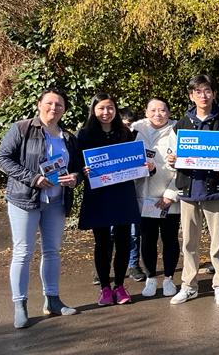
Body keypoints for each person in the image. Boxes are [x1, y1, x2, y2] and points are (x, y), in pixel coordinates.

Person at [0, 88, 81, 329]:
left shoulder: (68, 137)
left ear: (64, 110)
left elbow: (75, 168)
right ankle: (20, 304)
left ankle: (52, 300)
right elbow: (2, 159)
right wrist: (32, 178)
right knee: (23, 252)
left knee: (52, 251)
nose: (54, 108)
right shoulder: (21, 129)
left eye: (59, 105)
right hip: (25, 199)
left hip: (56, 201)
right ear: (39, 104)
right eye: (50, 103)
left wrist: (74, 177)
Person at [166, 74, 219, 307]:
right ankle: (189, 286)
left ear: (214, 93)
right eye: (198, 92)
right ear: (191, 96)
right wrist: (172, 160)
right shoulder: (180, 125)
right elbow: (173, 157)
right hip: (189, 190)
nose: (203, 95)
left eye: (207, 91)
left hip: (217, 189)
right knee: (189, 242)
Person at [77, 93, 143, 307]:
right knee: (103, 243)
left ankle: (120, 286)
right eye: (101, 108)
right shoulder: (84, 135)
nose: (106, 112)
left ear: (115, 110)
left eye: (110, 108)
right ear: (94, 110)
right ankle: (105, 287)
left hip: (122, 193)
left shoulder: (126, 133)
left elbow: (137, 161)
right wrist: (83, 170)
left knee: (124, 242)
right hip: (99, 195)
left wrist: (147, 167)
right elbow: (76, 165)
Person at [132, 99, 181, 298]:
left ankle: (169, 278)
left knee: (170, 239)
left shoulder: (178, 130)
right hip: (145, 197)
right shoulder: (136, 131)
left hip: (169, 197)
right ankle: (151, 277)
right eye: (153, 110)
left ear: (169, 112)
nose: (158, 114)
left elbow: (186, 166)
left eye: (162, 110)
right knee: (148, 239)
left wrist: (170, 195)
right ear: (146, 111)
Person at [118, 107, 144, 283]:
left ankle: (133, 264)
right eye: (124, 124)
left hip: (134, 191)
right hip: (112, 193)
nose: (127, 128)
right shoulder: (109, 139)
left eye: (130, 125)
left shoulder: (138, 140)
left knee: (134, 232)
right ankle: (103, 267)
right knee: (110, 233)